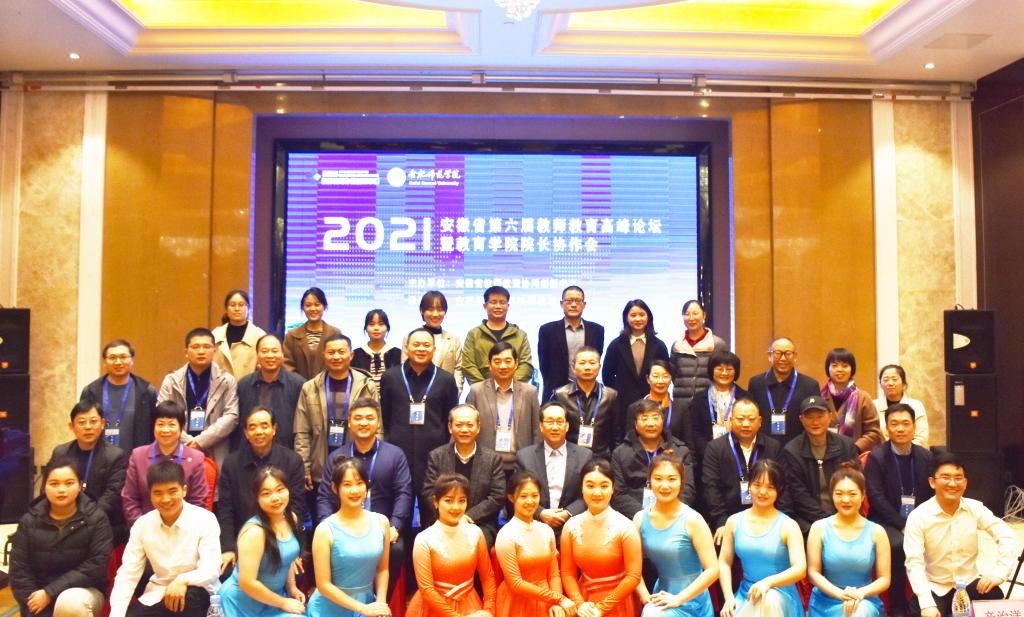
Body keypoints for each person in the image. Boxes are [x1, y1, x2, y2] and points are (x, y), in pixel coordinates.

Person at [317, 398, 412, 598]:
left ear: (378, 422)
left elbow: (403, 492)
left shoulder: (395, 455)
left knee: (396, 550)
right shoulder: (337, 457)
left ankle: (379, 599)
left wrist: (395, 526)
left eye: (369, 418)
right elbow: (324, 497)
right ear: (349, 422)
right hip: (344, 527)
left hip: (382, 528)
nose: (364, 423)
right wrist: (329, 527)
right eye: (358, 418)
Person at [904, 451, 1018, 617]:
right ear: (932, 482)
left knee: (995, 600)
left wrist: (999, 573)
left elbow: (1007, 536)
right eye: (945, 477)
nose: (953, 483)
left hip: (969, 583)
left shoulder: (975, 508)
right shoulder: (918, 516)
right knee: (920, 611)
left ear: (965, 483)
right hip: (935, 586)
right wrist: (926, 603)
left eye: (958, 478)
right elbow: (914, 563)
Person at [109, 460, 221, 617]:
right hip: (159, 592)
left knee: (189, 599)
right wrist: (116, 613)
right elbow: (128, 573)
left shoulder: (205, 519)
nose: (166, 499)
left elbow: (211, 569)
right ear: (150, 494)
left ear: (184, 490)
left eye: (172, 491)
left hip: (198, 591)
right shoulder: (142, 525)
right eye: (158, 493)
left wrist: (183, 580)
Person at [11, 457, 113, 617]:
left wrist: (50, 593)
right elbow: (19, 569)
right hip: (39, 596)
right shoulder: (29, 521)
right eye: (54, 484)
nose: (61, 489)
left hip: (84, 591)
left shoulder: (96, 518)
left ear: (80, 486)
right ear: (44, 487)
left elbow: (95, 566)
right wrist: (33, 604)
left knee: (70, 603)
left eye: (69, 483)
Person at [218, 407, 307, 575]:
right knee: (227, 570)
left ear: (274, 429)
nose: (259, 431)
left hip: (282, 539)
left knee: (297, 574)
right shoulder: (231, 463)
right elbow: (225, 509)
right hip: (244, 540)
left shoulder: (292, 461)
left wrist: (292, 549)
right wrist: (228, 548)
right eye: (252, 427)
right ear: (246, 433)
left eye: (264, 426)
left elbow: (296, 507)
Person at [864, 403, 933, 617]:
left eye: (905, 423)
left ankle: (932, 599)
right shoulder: (877, 457)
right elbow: (876, 497)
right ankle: (897, 606)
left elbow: (931, 495)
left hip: (919, 519)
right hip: (885, 520)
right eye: (894, 424)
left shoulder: (925, 457)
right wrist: (902, 524)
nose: (900, 429)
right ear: (887, 429)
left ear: (914, 427)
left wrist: (918, 523)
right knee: (898, 545)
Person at [380, 328, 459, 512]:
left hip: (433, 460)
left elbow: (449, 419)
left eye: (426, 345)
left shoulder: (446, 380)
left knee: (432, 514)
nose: (421, 349)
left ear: (434, 349)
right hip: (398, 457)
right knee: (399, 514)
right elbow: (386, 415)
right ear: (407, 348)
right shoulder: (390, 377)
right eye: (416, 344)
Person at [294, 333, 377, 500]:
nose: (336, 357)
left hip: (357, 466)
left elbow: (377, 428)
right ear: (324, 355)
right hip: (320, 466)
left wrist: (374, 464)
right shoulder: (309, 388)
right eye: (331, 352)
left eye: (341, 352)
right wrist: (305, 467)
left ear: (351, 355)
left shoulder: (367, 386)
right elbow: (302, 432)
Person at [632, 452, 717, 617]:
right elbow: (632, 568)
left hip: (693, 600)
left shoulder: (693, 520)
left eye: (672, 479)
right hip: (661, 595)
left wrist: (679, 599)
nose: (665, 485)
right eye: (658, 479)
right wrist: (644, 596)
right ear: (649, 481)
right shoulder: (640, 519)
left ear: (681, 483)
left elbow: (713, 569)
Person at [718, 460, 805, 617]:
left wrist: (768, 582)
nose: (762, 492)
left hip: (781, 594)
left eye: (770, 487)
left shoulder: (789, 525)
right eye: (757, 485)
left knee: (769, 599)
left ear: (779, 490)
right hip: (747, 593)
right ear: (749, 486)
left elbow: (800, 569)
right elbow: (724, 561)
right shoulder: (734, 521)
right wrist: (729, 597)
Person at [307, 458, 391, 617]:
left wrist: (380, 604)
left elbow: (382, 569)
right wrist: (362, 609)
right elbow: (323, 585)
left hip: (368, 604)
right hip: (329, 609)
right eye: (347, 485)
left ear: (367, 485)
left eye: (359, 483)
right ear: (335, 488)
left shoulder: (381, 522)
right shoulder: (325, 530)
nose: (355, 490)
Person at [218, 467, 306, 617]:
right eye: (266, 493)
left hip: (274, 598)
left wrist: (292, 588)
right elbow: (247, 583)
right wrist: (283, 603)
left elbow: (287, 559)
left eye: (280, 490)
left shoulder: (292, 518)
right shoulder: (254, 532)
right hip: (242, 602)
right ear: (257, 498)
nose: (275, 498)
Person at [407, 473, 497, 617]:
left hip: (470, 604)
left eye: (461, 501)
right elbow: (426, 590)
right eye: (448, 500)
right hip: (433, 608)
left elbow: (487, 577)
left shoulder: (475, 533)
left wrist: (488, 610)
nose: (456, 507)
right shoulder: (424, 539)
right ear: (436, 502)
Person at [560, 459, 642, 617]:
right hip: (584, 602)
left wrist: (602, 608)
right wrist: (579, 603)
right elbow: (567, 573)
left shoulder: (626, 526)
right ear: (582, 488)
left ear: (613, 488)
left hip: (619, 602)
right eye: (590, 486)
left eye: (604, 486)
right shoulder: (571, 526)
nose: (597, 493)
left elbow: (633, 576)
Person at [807, 463, 890, 617]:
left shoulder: (877, 532)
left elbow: (884, 579)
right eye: (839, 494)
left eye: (852, 494)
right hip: (826, 600)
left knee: (859, 611)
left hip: (864, 599)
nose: (845, 499)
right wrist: (840, 594)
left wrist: (859, 594)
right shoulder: (819, 528)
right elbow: (813, 573)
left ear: (863, 496)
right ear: (832, 495)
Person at [700, 398, 782, 544]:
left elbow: (781, 486)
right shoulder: (715, 448)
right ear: (731, 420)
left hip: (767, 517)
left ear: (760, 421)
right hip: (727, 518)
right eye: (740, 419)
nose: (745, 424)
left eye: (751, 419)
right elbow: (711, 487)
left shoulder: (773, 447)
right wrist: (721, 521)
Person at [421, 405, 505, 547]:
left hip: (479, 523)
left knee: (475, 544)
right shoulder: (436, 456)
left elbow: (497, 496)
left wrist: (467, 516)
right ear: (450, 427)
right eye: (459, 425)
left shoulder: (492, 459)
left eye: (469, 425)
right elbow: (429, 492)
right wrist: (449, 517)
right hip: (442, 521)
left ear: (478, 427)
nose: (464, 429)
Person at [495, 471, 576, 617]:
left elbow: (553, 573)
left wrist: (556, 602)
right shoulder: (506, 534)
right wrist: (558, 598)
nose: (530, 501)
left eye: (534, 495)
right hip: (516, 601)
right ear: (511, 498)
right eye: (523, 496)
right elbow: (515, 583)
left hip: (547, 600)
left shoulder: (546, 530)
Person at [45, 401, 129, 543]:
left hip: (101, 523)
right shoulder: (61, 452)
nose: (88, 427)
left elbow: (111, 496)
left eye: (93, 421)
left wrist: (83, 520)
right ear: (71, 426)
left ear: (102, 423)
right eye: (82, 422)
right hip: (64, 519)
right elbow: (49, 487)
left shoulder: (116, 456)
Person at [157, 327, 239, 469]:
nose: (201, 351)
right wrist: (188, 441)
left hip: (215, 450)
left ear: (214, 350)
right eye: (195, 347)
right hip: (178, 448)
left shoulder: (227, 381)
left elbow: (232, 416)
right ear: (186, 352)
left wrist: (201, 441)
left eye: (206, 347)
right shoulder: (172, 381)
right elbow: (161, 414)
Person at [514, 401, 594, 543]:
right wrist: (540, 513)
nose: (555, 427)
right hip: (533, 524)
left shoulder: (584, 456)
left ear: (567, 426)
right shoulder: (524, 456)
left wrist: (568, 513)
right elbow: (516, 494)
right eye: (550, 422)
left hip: (573, 525)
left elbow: (587, 494)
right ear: (541, 426)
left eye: (560, 422)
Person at [780, 395, 860, 534]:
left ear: (830, 416)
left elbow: (855, 485)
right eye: (809, 417)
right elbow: (798, 493)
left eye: (820, 416)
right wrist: (825, 523)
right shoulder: (792, 451)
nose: (815, 422)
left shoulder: (846, 446)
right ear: (801, 419)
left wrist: (840, 520)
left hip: (845, 516)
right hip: (808, 521)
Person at [121, 401, 208, 527]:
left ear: (181, 428)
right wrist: (143, 529)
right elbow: (129, 499)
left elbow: (198, 501)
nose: (165, 430)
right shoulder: (138, 456)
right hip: (146, 530)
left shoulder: (196, 458)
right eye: (160, 424)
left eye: (171, 424)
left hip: (184, 530)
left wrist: (180, 530)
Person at [611, 399, 696, 518]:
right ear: (636, 424)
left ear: (663, 421)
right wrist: (645, 515)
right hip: (633, 518)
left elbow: (687, 490)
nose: (650, 423)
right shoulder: (620, 453)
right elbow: (619, 494)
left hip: (673, 516)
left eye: (655, 418)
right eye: (644, 418)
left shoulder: (681, 451)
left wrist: (666, 512)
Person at [466, 341, 541, 472]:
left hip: (522, 465)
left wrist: (534, 462)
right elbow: (468, 426)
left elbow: (537, 430)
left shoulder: (530, 392)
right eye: (497, 361)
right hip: (485, 465)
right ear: (489, 364)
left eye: (508, 361)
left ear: (516, 364)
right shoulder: (476, 391)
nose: (503, 366)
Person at [79, 338, 158, 453]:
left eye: (123, 357)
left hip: (136, 459)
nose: (118, 362)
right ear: (104, 362)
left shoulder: (146, 391)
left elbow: (154, 429)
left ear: (132, 360)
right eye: (112, 358)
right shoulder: (91, 392)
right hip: (99, 459)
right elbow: (82, 427)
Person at [602, 299, 670, 419]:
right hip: (622, 402)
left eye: (642, 315)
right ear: (626, 318)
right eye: (633, 315)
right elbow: (607, 376)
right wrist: (618, 393)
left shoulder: (659, 345)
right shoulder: (616, 344)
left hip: (652, 402)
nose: (638, 319)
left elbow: (666, 373)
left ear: (648, 317)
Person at [669, 300, 728, 437]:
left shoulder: (717, 344)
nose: (691, 318)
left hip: (708, 403)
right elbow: (673, 373)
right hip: (681, 403)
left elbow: (723, 372)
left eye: (695, 313)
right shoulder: (677, 345)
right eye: (687, 314)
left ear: (704, 315)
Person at [236, 334, 305, 449]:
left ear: (282, 355)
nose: (270, 355)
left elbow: (304, 427)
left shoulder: (298, 385)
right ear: (257, 355)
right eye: (265, 351)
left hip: (287, 451)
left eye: (275, 351)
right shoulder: (244, 385)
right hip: (250, 452)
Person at [538, 285, 606, 402]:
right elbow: (544, 365)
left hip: (587, 391)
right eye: (569, 301)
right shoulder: (547, 330)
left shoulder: (597, 330)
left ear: (584, 305)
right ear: (561, 304)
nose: (573, 305)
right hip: (556, 391)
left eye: (578, 301)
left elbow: (596, 358)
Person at [746, 337, 820, 444]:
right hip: (763, 447)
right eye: (778, 353)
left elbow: (814, 420)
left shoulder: (810, 385)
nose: (783, 358)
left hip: (798, 447)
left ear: (795, 356)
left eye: (788, 353)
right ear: (769, 356)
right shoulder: (756, 383)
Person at [553, 346, 621, 457]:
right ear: (573, 367)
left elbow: (617, 435)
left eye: (592, 363)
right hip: (569, 458)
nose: (587, 367)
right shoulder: (560, 395)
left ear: (599, 367)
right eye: (582, 363)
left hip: (601, 458)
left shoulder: (611, 396)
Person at [461, 285, 534, 386]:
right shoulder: (473, 334)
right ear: (485, 306)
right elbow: (468, 366)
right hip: (481, 392)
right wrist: (486, 389)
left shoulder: (520, 335)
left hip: (515, 392)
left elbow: (526, 366)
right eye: (493, 302)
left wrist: (508, 386)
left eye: (502, 302)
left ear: (508, 306)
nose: (498, 306)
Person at [688, 351, 748, 463]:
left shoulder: (746, 397)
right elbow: (696, 432)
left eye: (729, 369)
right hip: (707, 457)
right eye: (719, 369)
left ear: (736, 371)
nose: (724, 373)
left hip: (740, 456)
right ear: (711, 370)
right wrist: (709, 453)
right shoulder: (699, 399)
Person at [819, 348, 883, 452]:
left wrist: (854, 449)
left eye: (845, 366)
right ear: (828, 368)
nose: (840, 369)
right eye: (834, 365)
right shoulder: (819, 397)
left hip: (855, 456)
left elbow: (873, 432)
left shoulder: (863, 398)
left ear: (852, 369)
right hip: (825, 454)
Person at [403, 290, 463, 394]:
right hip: (416, 395)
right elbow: (404, 367)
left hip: (446, 394)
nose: (435, 314)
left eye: (440, 309)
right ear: (422, 311)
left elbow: (458, 369)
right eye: (430, 310)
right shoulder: (410, 337)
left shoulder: (453, 339)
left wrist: (454, 392)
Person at [283, 287, 343, 380]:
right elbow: (287, 365)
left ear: (324, 306)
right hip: (299, 387)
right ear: (303, 307)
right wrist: (301, 384)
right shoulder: (292, 335)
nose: (313, 309)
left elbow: (340, 363)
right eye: (308, 305)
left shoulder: (335, 333)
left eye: (317, 305)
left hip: (328, 386)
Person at [212, 289, 267, 379]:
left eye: (241, 305)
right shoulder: (216, 335)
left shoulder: (259, 336)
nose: (237, 309)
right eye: (232, 305)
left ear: (248, 308)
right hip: (220, 386)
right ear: (226, 309)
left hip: (248, 386)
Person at [873, 364, 929, 446]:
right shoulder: (873, 406)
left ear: (904, 384)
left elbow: (921, 438)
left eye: (894, 379)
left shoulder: (916, 406)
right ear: (880, 384)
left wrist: (901, 450)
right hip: (882, 452)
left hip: (912, 452)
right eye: (886, 380)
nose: (890, 383)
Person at [351, 309, 402, 388]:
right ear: (366, 328)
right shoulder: (356, 354)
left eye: (381, 324)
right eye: (371, 324)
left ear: (387, 328)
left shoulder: (397, 354)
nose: (376, 328)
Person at [644, 360, 683, 440]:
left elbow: (688, 442)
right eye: (655, 376)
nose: (660, 381)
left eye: (665, 376)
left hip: (673, 447)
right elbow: (631, 441)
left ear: (671, 379)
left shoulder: (681, 408)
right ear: (647, 379)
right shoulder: (635, 408)